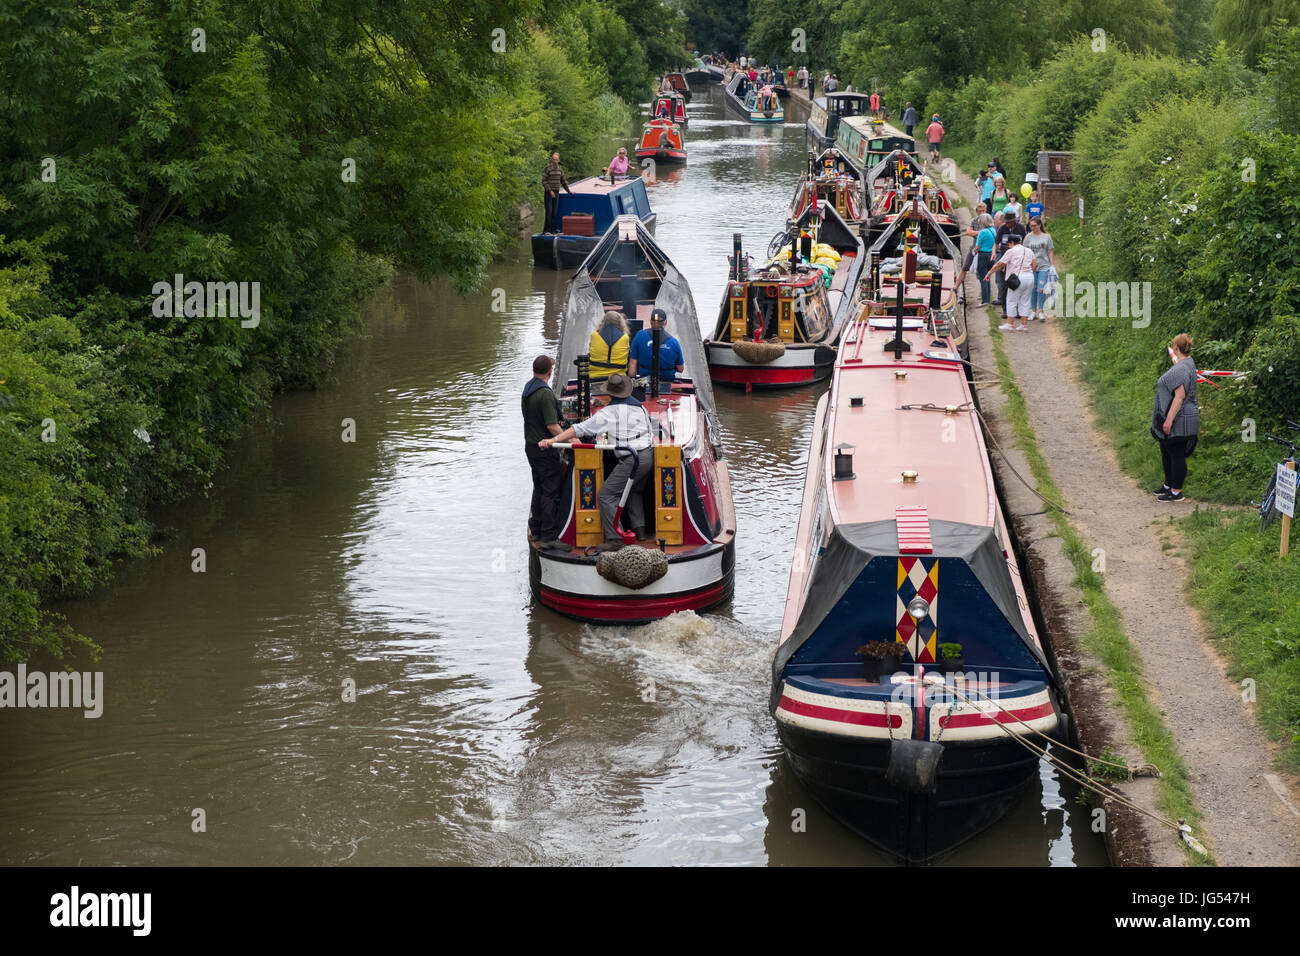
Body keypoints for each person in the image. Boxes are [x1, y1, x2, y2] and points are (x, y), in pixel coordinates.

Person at [540, 372, 653, 548]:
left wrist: (552, 441)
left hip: (632, 460)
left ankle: (615, 539)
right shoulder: (640, 408)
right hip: (648, 455)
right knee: (633, 490)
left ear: (610, 393)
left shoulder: (608, 413)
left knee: (606, 495)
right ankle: (640, 530)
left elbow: (579, 429)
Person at [523, 355, 566, 550]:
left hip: (531, 446)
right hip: (544, 448)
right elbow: (552, 426)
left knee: (539, 487)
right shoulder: (545, 394)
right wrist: (571, 437)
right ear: (549, 372)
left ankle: (537, 527)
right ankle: (549, 535)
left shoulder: (528, 388)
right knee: (550, 490)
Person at [1152, 334, 1199, 502]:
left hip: (1182, 419)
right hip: (1185, 416)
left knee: (1177, 453)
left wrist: (1169, 419)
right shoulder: (1188, 364)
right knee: (1167, 450)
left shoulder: (1181, 368)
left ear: (1176, 348)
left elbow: (1179, 396)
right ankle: (1168, 485)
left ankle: (1176, 492)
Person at [989, 232, 1036, 332]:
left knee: (1011, 300)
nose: (1009, 246)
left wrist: (989, 273)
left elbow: (999, 264)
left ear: (1012, 242)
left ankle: (1010, 324)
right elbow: (1035, 264)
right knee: (1025, 301)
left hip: (1017, 279)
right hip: (1030, 277)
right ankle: (1024, 325)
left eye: (1009, 244)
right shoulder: (1029, 250)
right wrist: (1029, 272)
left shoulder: (1011, 251)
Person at [628, 308, 685, 383]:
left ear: (651, 322)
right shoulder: (674, 342)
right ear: (665, 323)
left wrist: (633, 383)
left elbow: (632, 364)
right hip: (668, 382)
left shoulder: (640, 335)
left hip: (644, 382)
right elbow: (680, 369)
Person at [991, 209, 1025, 318]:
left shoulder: (1020, 228)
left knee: (1018, 285)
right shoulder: (1002, 228)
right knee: (1004, 285)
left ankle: (1018, 310)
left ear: (1013, 221)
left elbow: (1025, 242)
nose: (1006, 224)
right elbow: (996, 243)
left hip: (1018, 260)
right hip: (1005, 259)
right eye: (1005, 222)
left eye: (1008, 222)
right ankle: (1006, 310)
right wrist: (994, 253)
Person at [1023, 216, 1056, 321]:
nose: (1032, 228)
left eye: (1034, 226)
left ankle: (1041, 311)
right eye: (1030, 226)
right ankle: (1033, 311)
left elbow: (1050, 251)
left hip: (1044, 266)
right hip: (1031, 267)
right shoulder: (1028, 237)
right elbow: (1025, 252)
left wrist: (1052, 265)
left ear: (1039, 225)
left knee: (1041, 288)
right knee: (1032, 289)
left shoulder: (1046, 237)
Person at [589, 310, 630, 381]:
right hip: (618, 379)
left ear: (603, 321)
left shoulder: (594, 335)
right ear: (620, 322)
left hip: (594, 378)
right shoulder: (625, 338)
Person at [542, 152, 572, 234]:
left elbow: (563, 181)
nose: (554, 161)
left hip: (556, 191)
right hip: (549, 192)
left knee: (554, 212)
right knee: (549, 212)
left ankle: (552, 230)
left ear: (558, 160)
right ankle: (546, 230)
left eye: (556, 159)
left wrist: (568, 191)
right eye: (553, 159)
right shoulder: (547, 168)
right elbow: (544, 181)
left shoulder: (560, 169)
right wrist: (550, 191)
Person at [973, 213, 996, 305]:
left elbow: (977, 247)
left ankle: (985, 300)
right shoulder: (993, 230)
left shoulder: (982, 232)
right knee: (988, 277)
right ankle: (987, 298)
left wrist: (973, 251)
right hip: (991, 254)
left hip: (983, 255)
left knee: (983, 277)